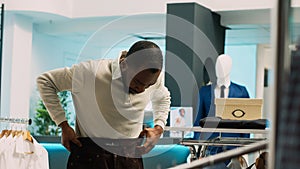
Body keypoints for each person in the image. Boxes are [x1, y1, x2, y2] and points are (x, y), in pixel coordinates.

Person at [36, 40, 171, 169]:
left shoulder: (151, 78)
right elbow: (46, 81)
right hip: (90, 156)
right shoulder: (90, 72)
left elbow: (163, 97)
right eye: (138, 82)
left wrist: (159, 127)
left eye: (149, 85)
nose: (142, 89)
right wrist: (63, 125)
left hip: (129, 157)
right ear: (124, 65)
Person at [193, 54, 250, 160]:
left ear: (230, 67)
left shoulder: (241, 92)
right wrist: (198, 146)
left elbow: (246, 124)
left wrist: (244, 149)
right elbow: (198, 121)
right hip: (210, 148)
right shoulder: (204, 91)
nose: (221, 69)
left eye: (224, 65)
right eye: (218, 65)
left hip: (233, 147)